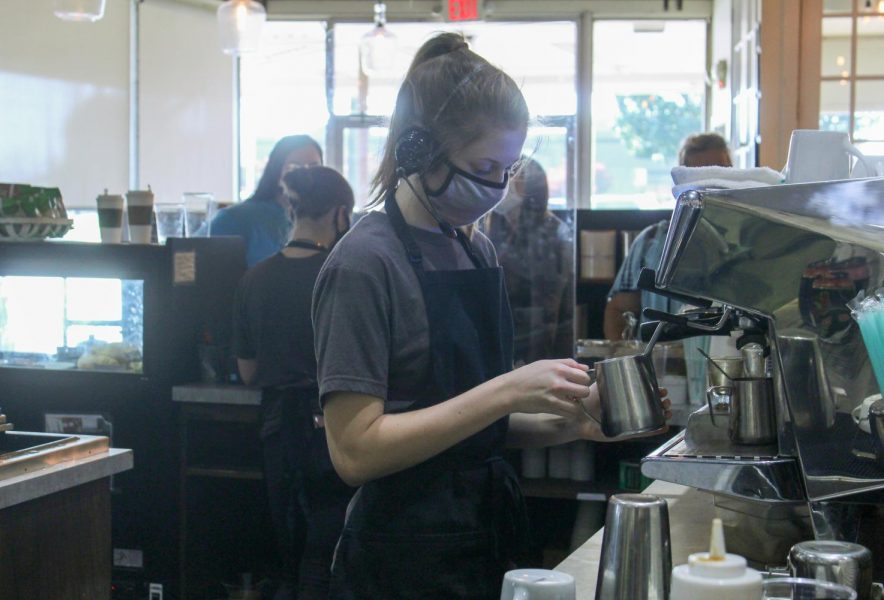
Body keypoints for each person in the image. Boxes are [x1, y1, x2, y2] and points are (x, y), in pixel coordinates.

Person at [312, 33, 671, 598]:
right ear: (419, 152)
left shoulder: (473, 249)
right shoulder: (362, 263)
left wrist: (576, 423)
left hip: (485, 531)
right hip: (402, 554)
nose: (497, 189)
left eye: (507, 170)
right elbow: (355, 450)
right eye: (484, 165)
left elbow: (472, 431)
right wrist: (507, 391)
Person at [232, 166, 354, 600]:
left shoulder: (255, 278)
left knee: (289, 550)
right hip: (334, 424)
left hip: (277, 429)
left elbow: (248, 372)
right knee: (329, 549)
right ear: (341, 214)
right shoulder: (344, 275)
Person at [603, 132, 733, 340]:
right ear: (683, 182)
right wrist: (628, 364)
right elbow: (618, 310)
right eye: (701, 176)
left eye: (720, 174)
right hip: (661, 365)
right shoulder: (650, 242)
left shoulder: (743, 244)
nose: (711, 186)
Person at [484, 158, 575, 365]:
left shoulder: (554, 231)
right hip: (498, 339)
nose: (501, 180)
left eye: (510, 174)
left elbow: (555, 303)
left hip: (540, 345)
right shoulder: (489, 229)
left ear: (531, 187)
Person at [212, 135, 323, 267]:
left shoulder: (326, 221)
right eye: (294, 167)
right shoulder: (235, 219)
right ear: (276, 170)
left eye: (314, 167)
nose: (305, 175)